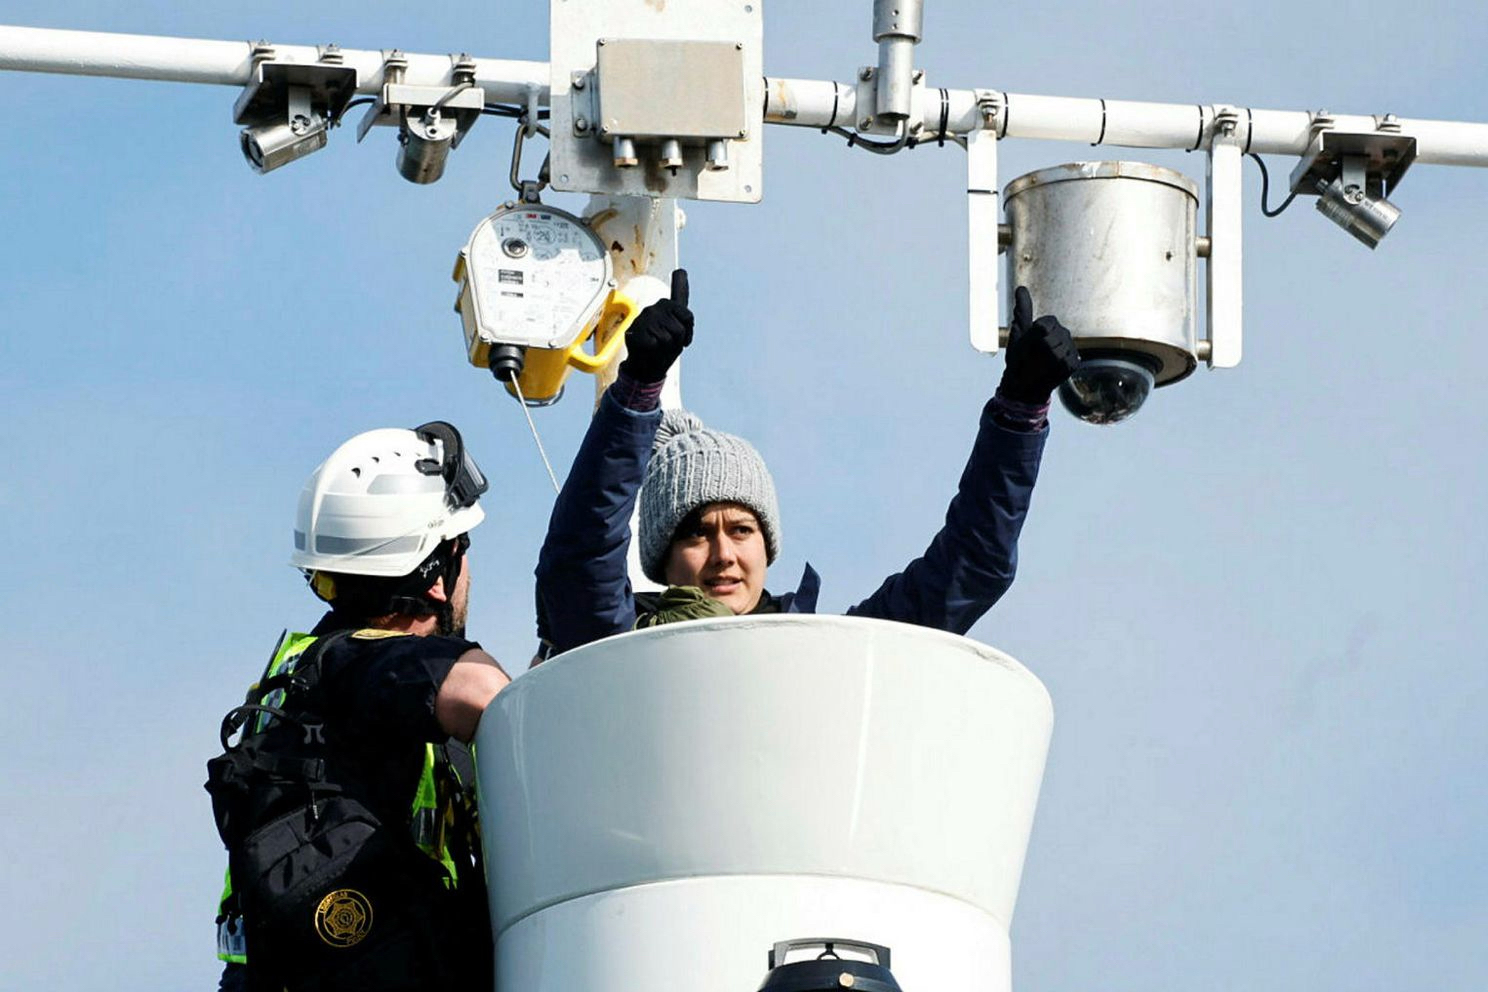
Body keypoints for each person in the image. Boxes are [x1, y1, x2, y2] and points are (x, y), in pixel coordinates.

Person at [533, 271, 1080, 656]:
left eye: (742, 529)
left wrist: (1020, 408)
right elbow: (579, 557)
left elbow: (972, 568)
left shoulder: (830, 657)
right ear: (661, 558)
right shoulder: (616, 646)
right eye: (697, 534)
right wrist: (636, 391)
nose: (724, 554)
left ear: (767, 546)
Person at [208, 421, 511, 992]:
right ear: (437, 576)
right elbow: (483, 696)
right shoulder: (367, 667)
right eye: (461, 550)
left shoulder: (306, 673)